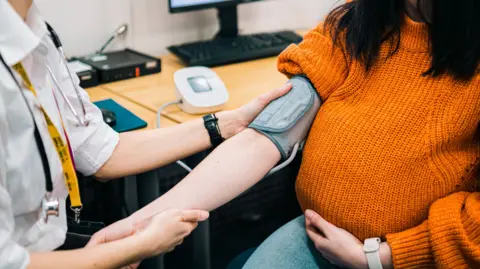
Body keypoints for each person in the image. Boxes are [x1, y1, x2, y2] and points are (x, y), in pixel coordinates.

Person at [91, 0, 480, 268]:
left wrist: (382, 258)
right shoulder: (355, 26)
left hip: (418, 257)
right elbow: (264, 137)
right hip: (316, 238)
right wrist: (139, 226)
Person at [0, 0, 293, 268]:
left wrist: (226, 123)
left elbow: (99, 151)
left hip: (52, 239)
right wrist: (137, 246)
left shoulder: (37, 32)